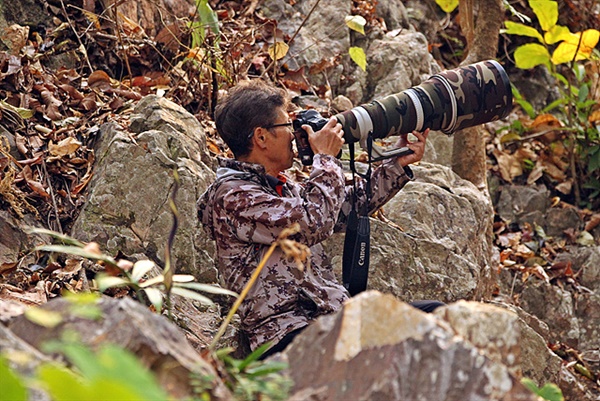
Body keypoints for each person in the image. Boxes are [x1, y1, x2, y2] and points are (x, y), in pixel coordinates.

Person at [197, 79, 439, 358]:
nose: (294, 134)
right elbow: (313, 221)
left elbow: (343, 207)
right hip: (287, 335)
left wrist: (397, 163)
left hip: (326, 320)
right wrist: (325, 159)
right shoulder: (233, 196)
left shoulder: (278, 187)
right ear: (261, 137)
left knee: (435, 316)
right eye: (286, 126)